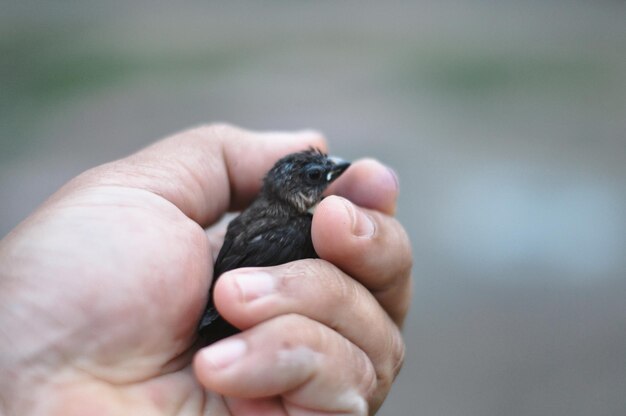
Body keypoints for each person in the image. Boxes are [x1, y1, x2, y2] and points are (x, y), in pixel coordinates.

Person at [0, 124, 412, 415]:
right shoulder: (297, 231)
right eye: (314, 176)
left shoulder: (283, 220)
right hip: (217, 330)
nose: (329, 176)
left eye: (322, 175)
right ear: (295, 190)